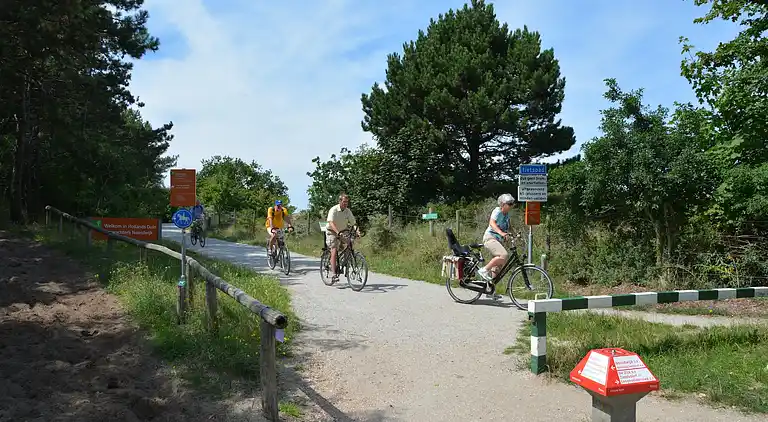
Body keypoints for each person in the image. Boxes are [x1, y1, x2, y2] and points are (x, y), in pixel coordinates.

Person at [477, 193, 516, 286]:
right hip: (490, 238)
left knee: (497, 266)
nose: (512, 206)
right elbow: (492, 223)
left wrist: (515, 234)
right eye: (509, 204)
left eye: (512, 204)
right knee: (503, 255)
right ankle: (484, 270)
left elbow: (509, 227)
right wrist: (501, 233)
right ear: (503, 204)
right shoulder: (497, 211)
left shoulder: (506, 215)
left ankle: (491, 289)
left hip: (498, 240)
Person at [326, 193, 358, 283]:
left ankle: (344, 262)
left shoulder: (348, 211)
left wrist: (357, 231)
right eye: (344, 202)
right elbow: (331, 222)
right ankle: (333, 274)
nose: (345, 204)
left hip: (342, 231)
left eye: (347, 202)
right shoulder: (334, 210)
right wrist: (337, 232)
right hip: (332, 231)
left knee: (350, 243)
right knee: (334, 249)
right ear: (340, 201)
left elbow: (353, 223)